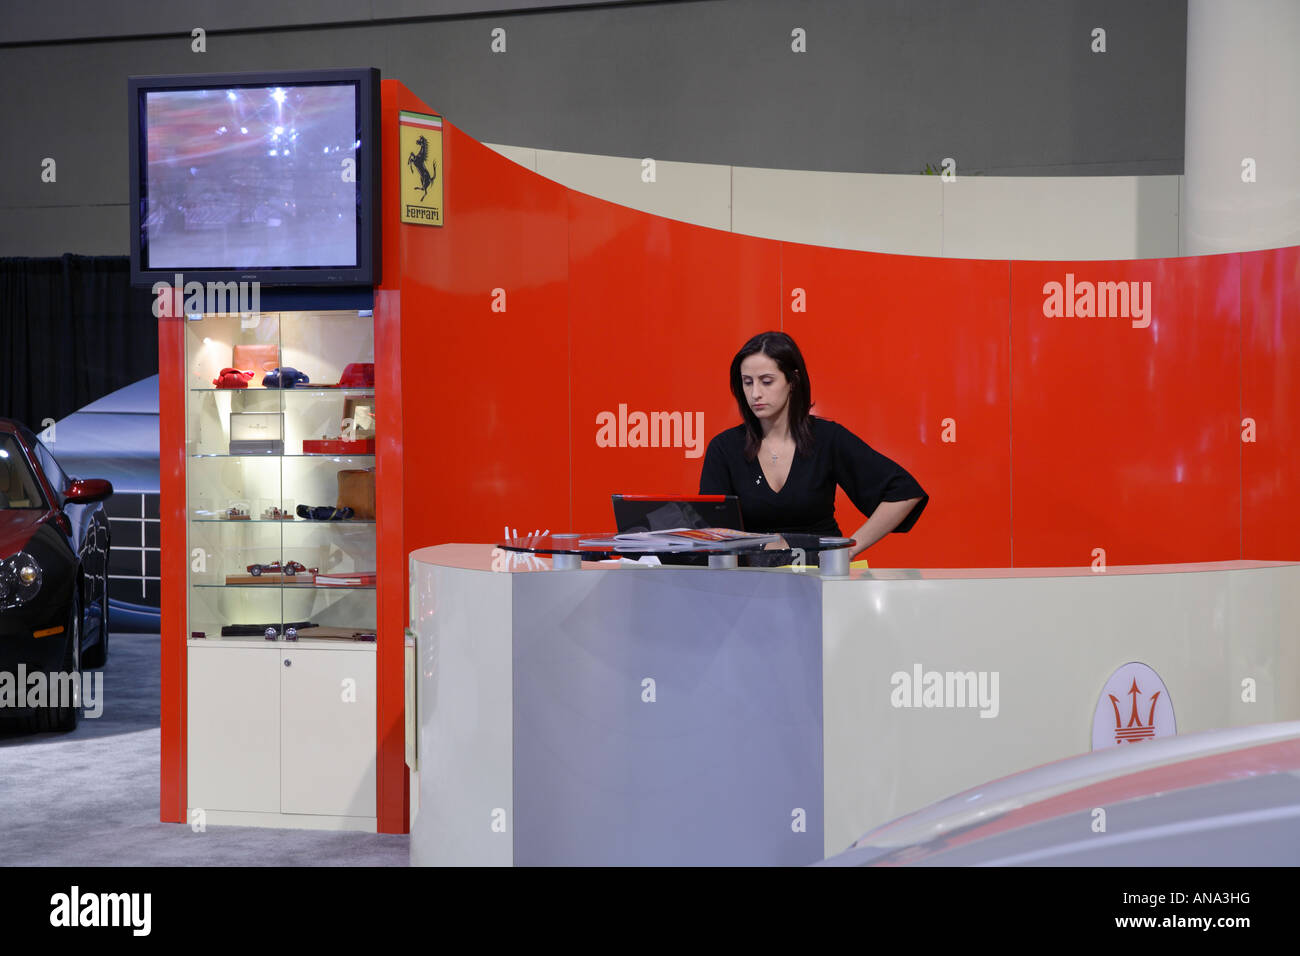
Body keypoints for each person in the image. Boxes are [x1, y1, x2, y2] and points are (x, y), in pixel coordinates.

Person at [698, 331, 927, 563]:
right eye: (747, 382)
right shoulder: (724, 448)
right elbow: (711, 534)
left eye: (767, 381)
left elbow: (904, 493)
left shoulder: (827, 438)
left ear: (793, 381)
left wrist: (849, 549)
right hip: (752, 584)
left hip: (821, 579)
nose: (755, 393)